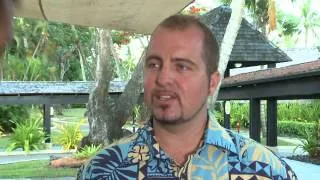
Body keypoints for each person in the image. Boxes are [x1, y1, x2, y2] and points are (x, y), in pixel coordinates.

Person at [81, 14, 297, 179]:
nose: (163, 78)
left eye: (182, 66)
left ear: (212, 83)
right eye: (154, 64)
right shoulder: (101, 170)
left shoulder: (266, 170)